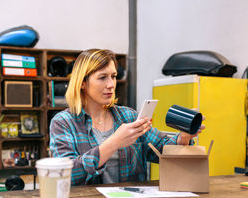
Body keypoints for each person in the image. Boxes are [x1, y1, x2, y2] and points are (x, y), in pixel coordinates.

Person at [49, 49, 204, 185]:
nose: (111, 84)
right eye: (102, 77)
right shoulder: (63, 122)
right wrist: (114, 143)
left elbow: (161, 148)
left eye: (114, 76)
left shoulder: (129, 116)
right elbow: (65, 174)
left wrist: (183, 138)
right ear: (82, 82)